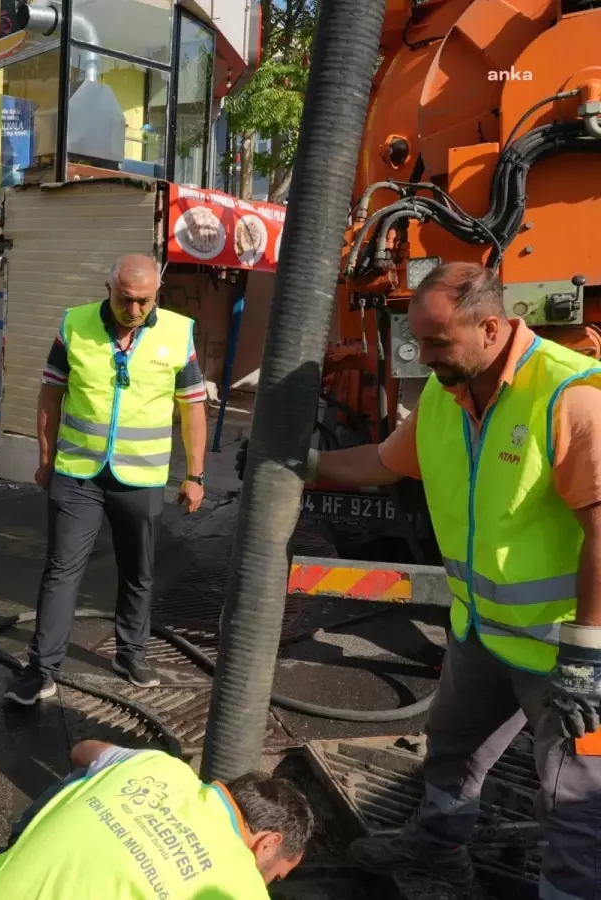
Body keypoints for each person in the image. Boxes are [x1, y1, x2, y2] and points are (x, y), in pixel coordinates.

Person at [239, 262, 601, 896]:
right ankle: (435, 853)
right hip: (482, 635)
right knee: (451, 756)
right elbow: (383, 463)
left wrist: (588, 654)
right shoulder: (447, 393)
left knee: (575, 805)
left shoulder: (570, 395)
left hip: (565, 657)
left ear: (490, 327)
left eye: (436, 342)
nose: (423, 355)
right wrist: (303, 462)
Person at [5, 255, 210, 705]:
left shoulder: (178, 333)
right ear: (108, 287)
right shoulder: (74, 325)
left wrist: (195, 474)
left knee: (138, 570)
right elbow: (50, 393)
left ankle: (130, 653)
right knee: (61, 571)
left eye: (143, 301)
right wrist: (45, 457)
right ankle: (42, 670)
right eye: (124, 298)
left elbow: (192, 406)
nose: (133, 310)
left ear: (157, 292)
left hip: (141, 478)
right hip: (78, 473)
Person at [0, 740, 312, 899]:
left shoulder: (158, 766)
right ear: (268, 843)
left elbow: (82, 750)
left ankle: (18, 846)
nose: (268, 885)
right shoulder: (241, 890)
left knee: (93, 775)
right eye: (275, 875)